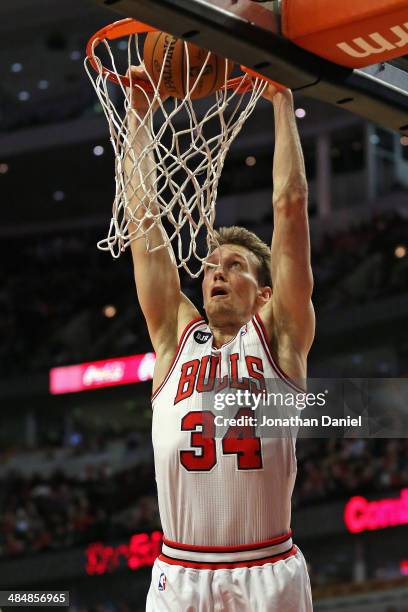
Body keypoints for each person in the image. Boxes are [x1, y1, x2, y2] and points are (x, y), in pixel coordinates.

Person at [126, 66, 315, 611]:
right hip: (180, 571)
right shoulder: (173, 338)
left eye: (234, 266)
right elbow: (144, 224)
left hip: (267, 565)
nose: (216, 273)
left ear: (262, 292)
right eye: (210, 266)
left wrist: (281, 98)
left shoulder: (279, 337)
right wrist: (139, 111)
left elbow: (291, 206)